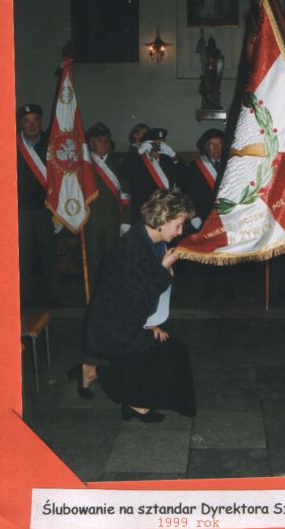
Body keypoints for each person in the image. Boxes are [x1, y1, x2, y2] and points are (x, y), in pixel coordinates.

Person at [69, 188, 196, 423]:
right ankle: (135, 403)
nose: (180, 232)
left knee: (170, 350)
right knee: (167, 353)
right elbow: (135, 300)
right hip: (111, 327)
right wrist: (163, 269)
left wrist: (150, 323)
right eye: (178, 225)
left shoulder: (148, 240)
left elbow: (137, 299)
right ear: (163, 220)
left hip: (127, 318)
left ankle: (91, 371)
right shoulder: (131, 249)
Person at [16, 103, 60, 306]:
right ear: (21, 124)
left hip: (46, 210)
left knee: (48, 255)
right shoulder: (12, 145)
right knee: (23, 257)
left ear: (40, 122)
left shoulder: (52, 143)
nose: (31, 125)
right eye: (26, 121)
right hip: (21, 210)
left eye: (35, 120)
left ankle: (53, 297)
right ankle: (24, 299)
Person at [85, 122, 131, 286]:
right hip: (91, 222)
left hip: (113, 221)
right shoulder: (85, 164)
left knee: (112, 261)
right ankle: (94, 293)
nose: (104, 143)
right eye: (99, 140)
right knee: (93, 261)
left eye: (106, 139)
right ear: (91, 143)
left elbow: (126, 195)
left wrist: (126, 221)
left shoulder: (119, 164)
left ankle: (111, 292)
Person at [123, 127, 185, 223]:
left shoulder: (167, 159)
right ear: (147, 144)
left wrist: (174, 156)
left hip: (167, 210)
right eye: (155, 143)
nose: (158, 147)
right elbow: (125, 173)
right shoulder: (139, 161)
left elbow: (183, 175)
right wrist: (139, 153)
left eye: (161, 143)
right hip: (147, 211)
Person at [185, 128, 225, 222]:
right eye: (212, 145)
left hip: (227, 212)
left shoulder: (231, 164)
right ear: (206, 146)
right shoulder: (195, 166)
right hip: (204, 215)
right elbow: (191, 195)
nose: (216, 148)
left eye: (219, 144)